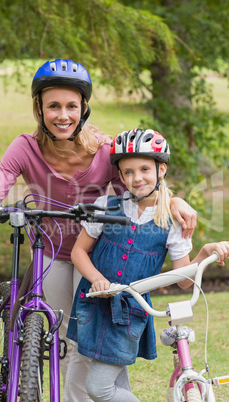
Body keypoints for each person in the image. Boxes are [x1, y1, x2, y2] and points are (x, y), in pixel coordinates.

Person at [0, 60, 197, 401]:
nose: (62, 115)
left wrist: (174, 201)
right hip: (51, 250)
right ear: (39, 109)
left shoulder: (104, 151)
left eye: (71, 106)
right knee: (59, 337)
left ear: (83, 108)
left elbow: (141, 187)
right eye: (53, 105)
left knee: (85, 340)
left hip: (97, 253)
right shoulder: (25, 147)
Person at [67, 128, 229, 402]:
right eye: (128, 172)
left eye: (144, 169)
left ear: (161, 169)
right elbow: (79, 252)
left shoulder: (172, 222)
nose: (136, 178)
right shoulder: (106, 206)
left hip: (129, 314)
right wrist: (96, 278)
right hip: (94, 305)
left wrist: (202, 253)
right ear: (119, 175)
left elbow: (183, 280)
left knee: (99, 388)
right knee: (111, 380)